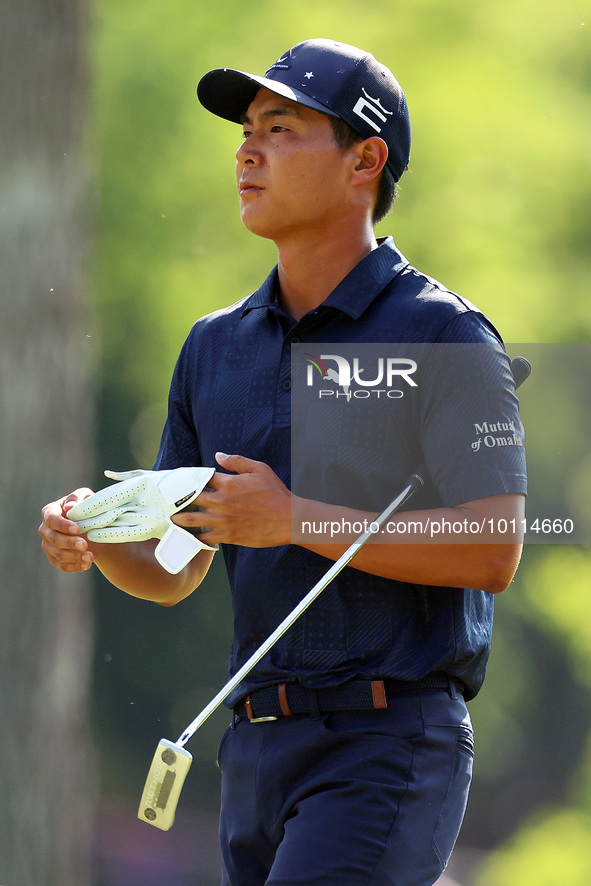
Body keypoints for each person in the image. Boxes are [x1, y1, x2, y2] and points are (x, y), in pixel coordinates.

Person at [39, 38, 527, 886]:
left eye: (282, 126)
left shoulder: (444, 334)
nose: (247, 149)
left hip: (386, 744)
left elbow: (494, 548)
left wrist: (292, 518)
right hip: (253, 752)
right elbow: (177, 565)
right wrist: (97, 537)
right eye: (245, 130)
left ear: (363, 160)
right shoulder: (213, 347)